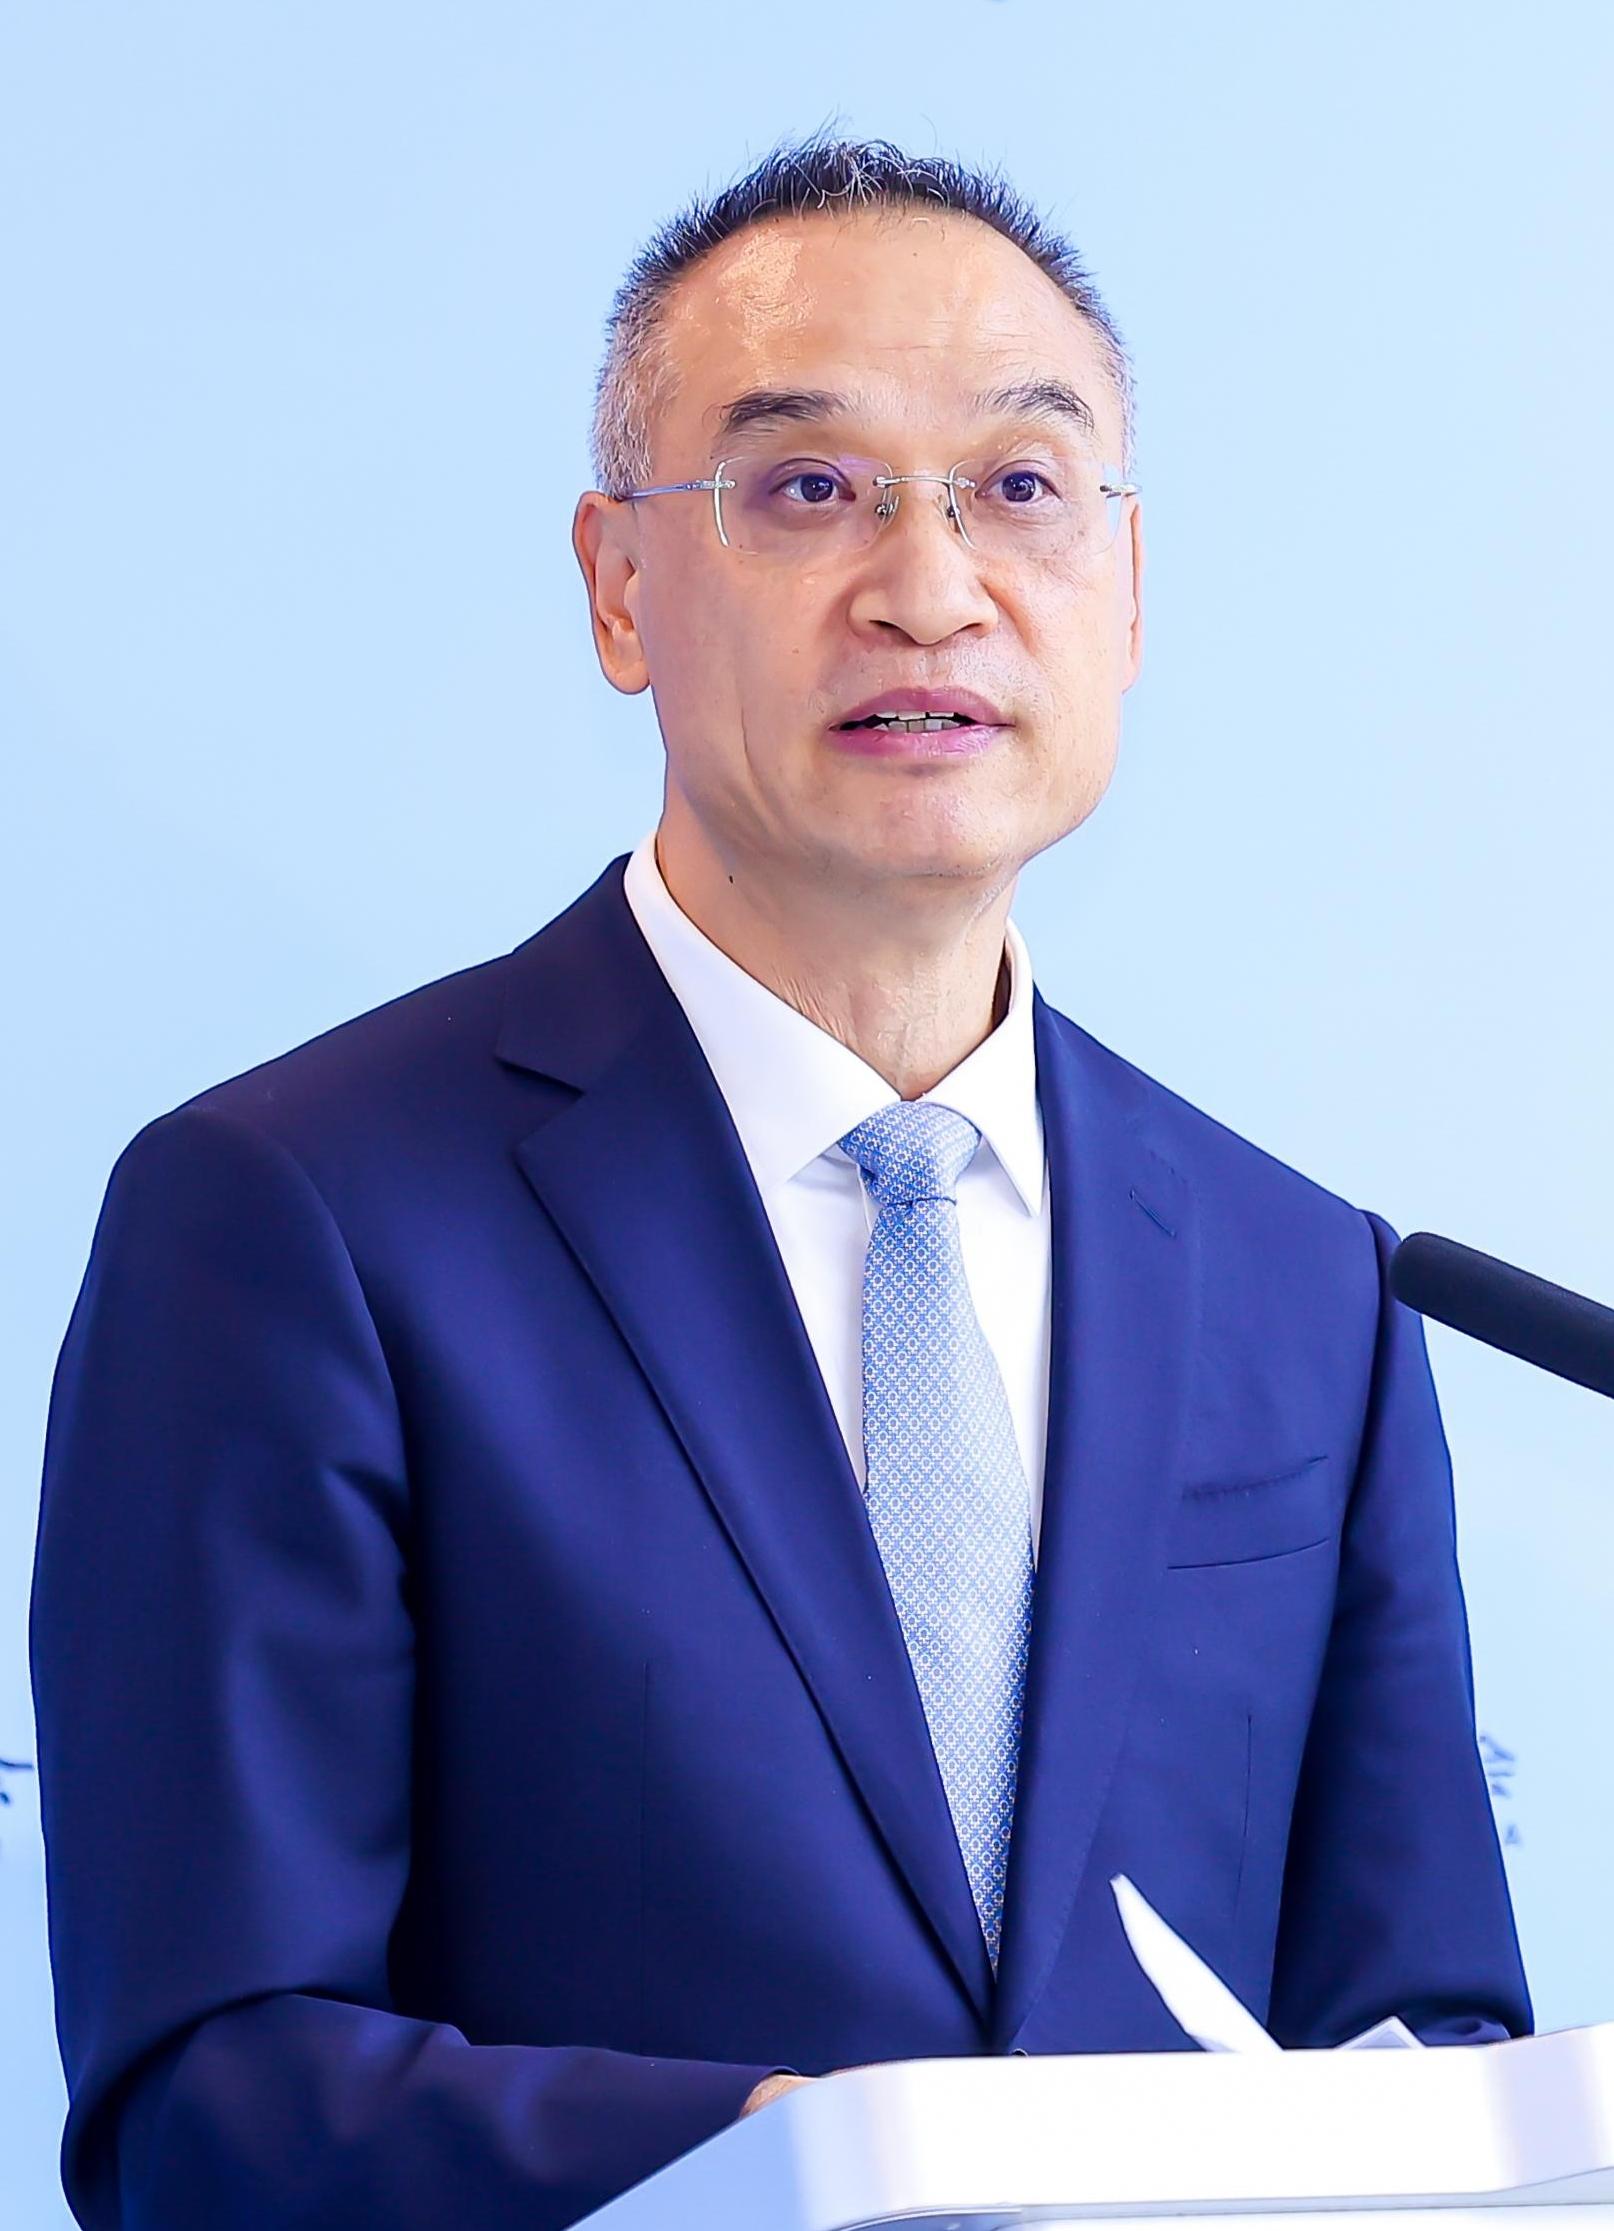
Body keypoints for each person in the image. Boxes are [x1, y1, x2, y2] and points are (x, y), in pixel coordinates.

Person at [30, 135, 1529, 2231]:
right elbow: (213, 2100)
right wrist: (811, 2165)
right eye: (809, 488)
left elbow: (1432, 2051)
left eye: (1020, 487)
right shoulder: (294, 1219)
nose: (930, 586)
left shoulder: (1311, 1284)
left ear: (1128, 591)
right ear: (618, 587)